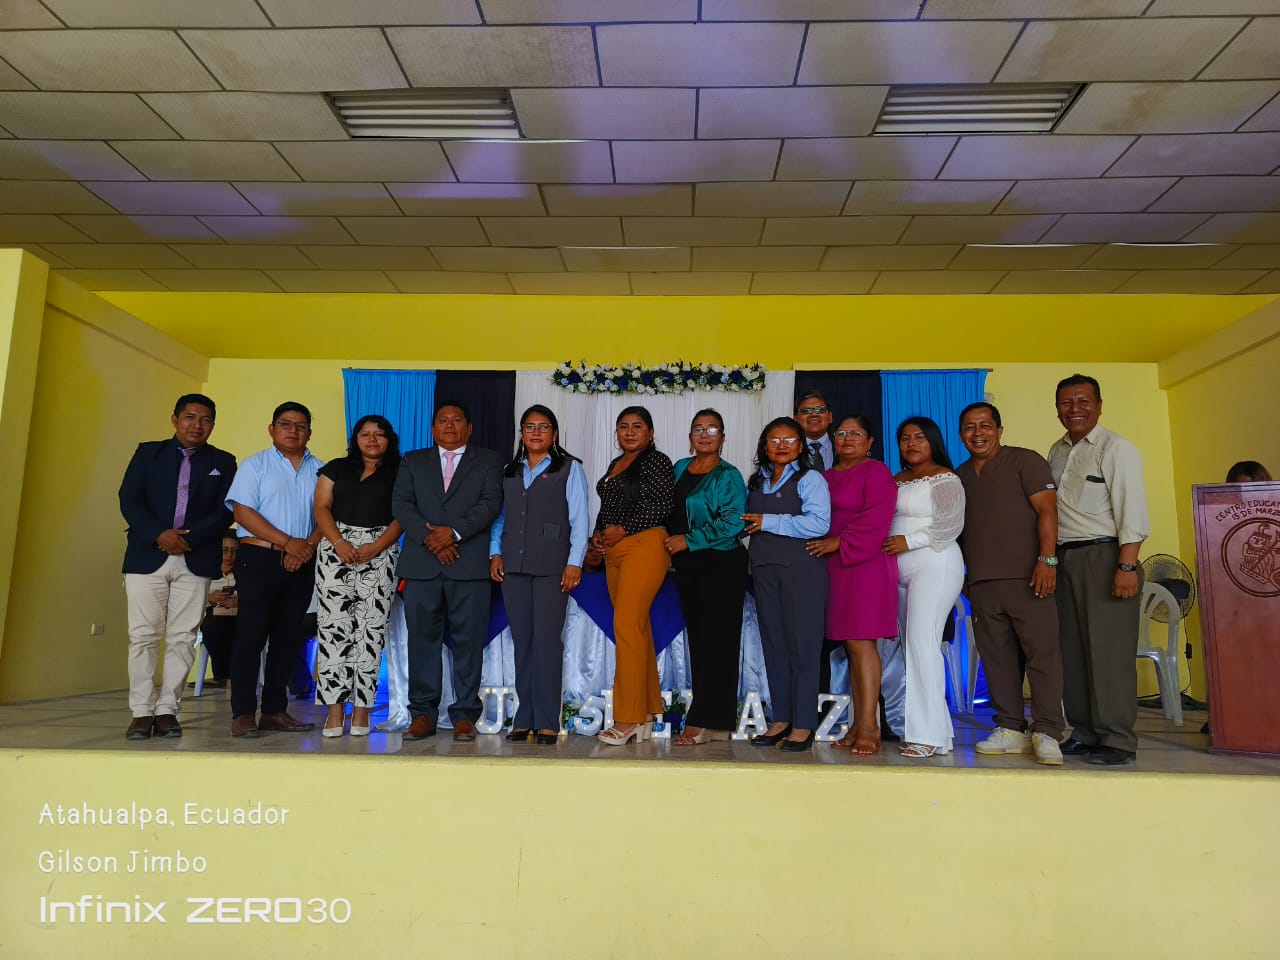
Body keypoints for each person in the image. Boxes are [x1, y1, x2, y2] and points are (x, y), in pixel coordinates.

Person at [118, 394, 236, 740]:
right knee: (143, 636)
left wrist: (188, 538)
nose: (197, 425)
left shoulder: (224, 461)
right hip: (147, 556)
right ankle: (142, 712)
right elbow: (129, 499)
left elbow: (226, 509)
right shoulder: (148, 453)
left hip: (196, 558)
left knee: (184, 637)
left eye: (205, 419)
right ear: (175, 420)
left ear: (213, 425)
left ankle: (168, 709)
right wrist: (159, 534)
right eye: (190, 417)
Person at [956, 402, 1066, 766]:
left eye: (985, 426)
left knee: (1042, 655)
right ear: (961, 434)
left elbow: (1048, 511)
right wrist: (965, 576)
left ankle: (1048, 730)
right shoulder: (960, 475)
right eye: (969, 427)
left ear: (999, 430)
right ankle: (1010, 727)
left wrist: (1047, 561)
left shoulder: (1024, 461)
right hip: (983, 583)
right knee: (997, 659)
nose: (977, 433)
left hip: (1029, 578)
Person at [1048, 374, 1149, 766]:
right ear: (1057, 409)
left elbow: (1132, 510)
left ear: (1099, 405)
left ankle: (1118, 739)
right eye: (1066, 402)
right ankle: (1085, 731)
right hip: (1065, 558)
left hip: (1106, 557)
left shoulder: (1116, 448)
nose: (1074, 409)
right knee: (1072, 652)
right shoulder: (1057, 451)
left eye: (1083, 401)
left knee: (1108, 653)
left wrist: (1127, 565)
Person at [393, 401, 503, 743]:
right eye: (443, 420)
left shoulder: (488, 460)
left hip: (468, 564)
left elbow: (491, 503)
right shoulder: (413, 460)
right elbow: (401, 504)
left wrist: (452, 533)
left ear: (469, 428)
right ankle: (422, 714)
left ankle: (465, 715)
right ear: (433, 429)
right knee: (421, 642)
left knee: (469, 643)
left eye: (457, 420)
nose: (450, 425)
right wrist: (432, 539)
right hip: (422, 565)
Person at [489, 405, 589, 746]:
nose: (536, 432)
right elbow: (500, 518)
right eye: (529, 427)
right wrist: (495, 552)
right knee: (523, 643)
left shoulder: (569, 468)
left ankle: (547, 720)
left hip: (552, 567)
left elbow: (580, 520)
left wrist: (574, 562)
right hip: (513, 567)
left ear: (554, 434)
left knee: (546, 642)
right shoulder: (510, 471)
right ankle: (524, 718)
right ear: (521, 433)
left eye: (543, 427)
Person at [224, 401, 324, 738]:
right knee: (250, 636)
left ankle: (274, 711)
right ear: (272, 429)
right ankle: (242, 713)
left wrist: (305, 547)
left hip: (303, 561)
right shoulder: (255, 465)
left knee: (287, 638)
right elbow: (242, 513)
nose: (293, 430)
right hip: (259, 558)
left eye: (300, 425)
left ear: (309, 432)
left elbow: (327, 515)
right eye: (285, 424)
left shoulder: (321, 470)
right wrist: (288, 543)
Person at [806, 414, 898, 755]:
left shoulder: (876, 472)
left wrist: (839, 542)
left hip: (864, 563)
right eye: (842, 433)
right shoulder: (825, 477)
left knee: (862, 644)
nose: (847, 438)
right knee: (850, 646)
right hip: (834, 567)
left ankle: (871, 726)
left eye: (856, 433)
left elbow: (877, 517)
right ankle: (858, 724)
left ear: (870, 442)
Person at [586, 406, 674, 746]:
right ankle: (648, 711)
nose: (630, 432)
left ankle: (628, 718)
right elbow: (608, 509)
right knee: (637, 627)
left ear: (650, 433)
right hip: (614, 551)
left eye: (637, 426)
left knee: (626, 625)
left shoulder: (657, 461)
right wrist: (598, 536)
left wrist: (623, 528)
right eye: (623, 426)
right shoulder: (615, 464)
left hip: (644, 545)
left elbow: (662, 506)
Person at [742, 416, 831, 752]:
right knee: (774, 647)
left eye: (789, 440)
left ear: (801, 446)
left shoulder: (810, 479)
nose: (782, 446)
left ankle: (804, 723)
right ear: (765, 446)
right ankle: (781, 719)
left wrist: (769, 521)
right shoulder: (757, 481)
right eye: (774, 440)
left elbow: (819, 524)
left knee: (803, 648)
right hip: (764, 571)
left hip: (802, 571)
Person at [312, 415, 404, 738]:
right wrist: (338, 542)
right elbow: (321, 507)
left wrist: (375, 547)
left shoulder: (401, 472)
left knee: (370, 630)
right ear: (356, 439)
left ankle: (362, 709)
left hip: (381, 550)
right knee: (333, 629)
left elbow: (402, 516)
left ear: (389, 440)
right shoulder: (336, 468)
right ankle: (335, 710)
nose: (372, 440)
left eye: (380, 434)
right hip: (335, 549)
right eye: (365, 434)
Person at [663, 409, 748, 746]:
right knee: (700, 642)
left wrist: (688, 540)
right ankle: (716, 723)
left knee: (719, 643)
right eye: (698, 429)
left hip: (722, 564)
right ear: (690, 436)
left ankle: (704, 720)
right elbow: (666, 511)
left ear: (722, 438)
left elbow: (734, 522)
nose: (704, 435)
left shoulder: (729, 475)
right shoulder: (679, 468)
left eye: (712, 429)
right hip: (689, 567)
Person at [882, 416, 965, 759]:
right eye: (905, 438)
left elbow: (950, 525)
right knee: (911, 648)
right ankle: (939, 734)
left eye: (919, 437)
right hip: (897, 568)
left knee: (922, 644)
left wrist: (909, 541)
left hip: (934, 562)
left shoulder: (945, 478)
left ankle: (925, 736)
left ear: (933, 442)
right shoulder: (895, 479)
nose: (911, 443)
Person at [198, 531, 240, 689]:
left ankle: (232, 675)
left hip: (240, 614)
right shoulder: (205, 572)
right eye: (225, 550)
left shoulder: (245, 573)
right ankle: (228, 675)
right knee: (213, 626)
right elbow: (191, 599)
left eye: (234, 551)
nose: (229, 555)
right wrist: (209, 598)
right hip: (214, 614)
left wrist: (238, 600)